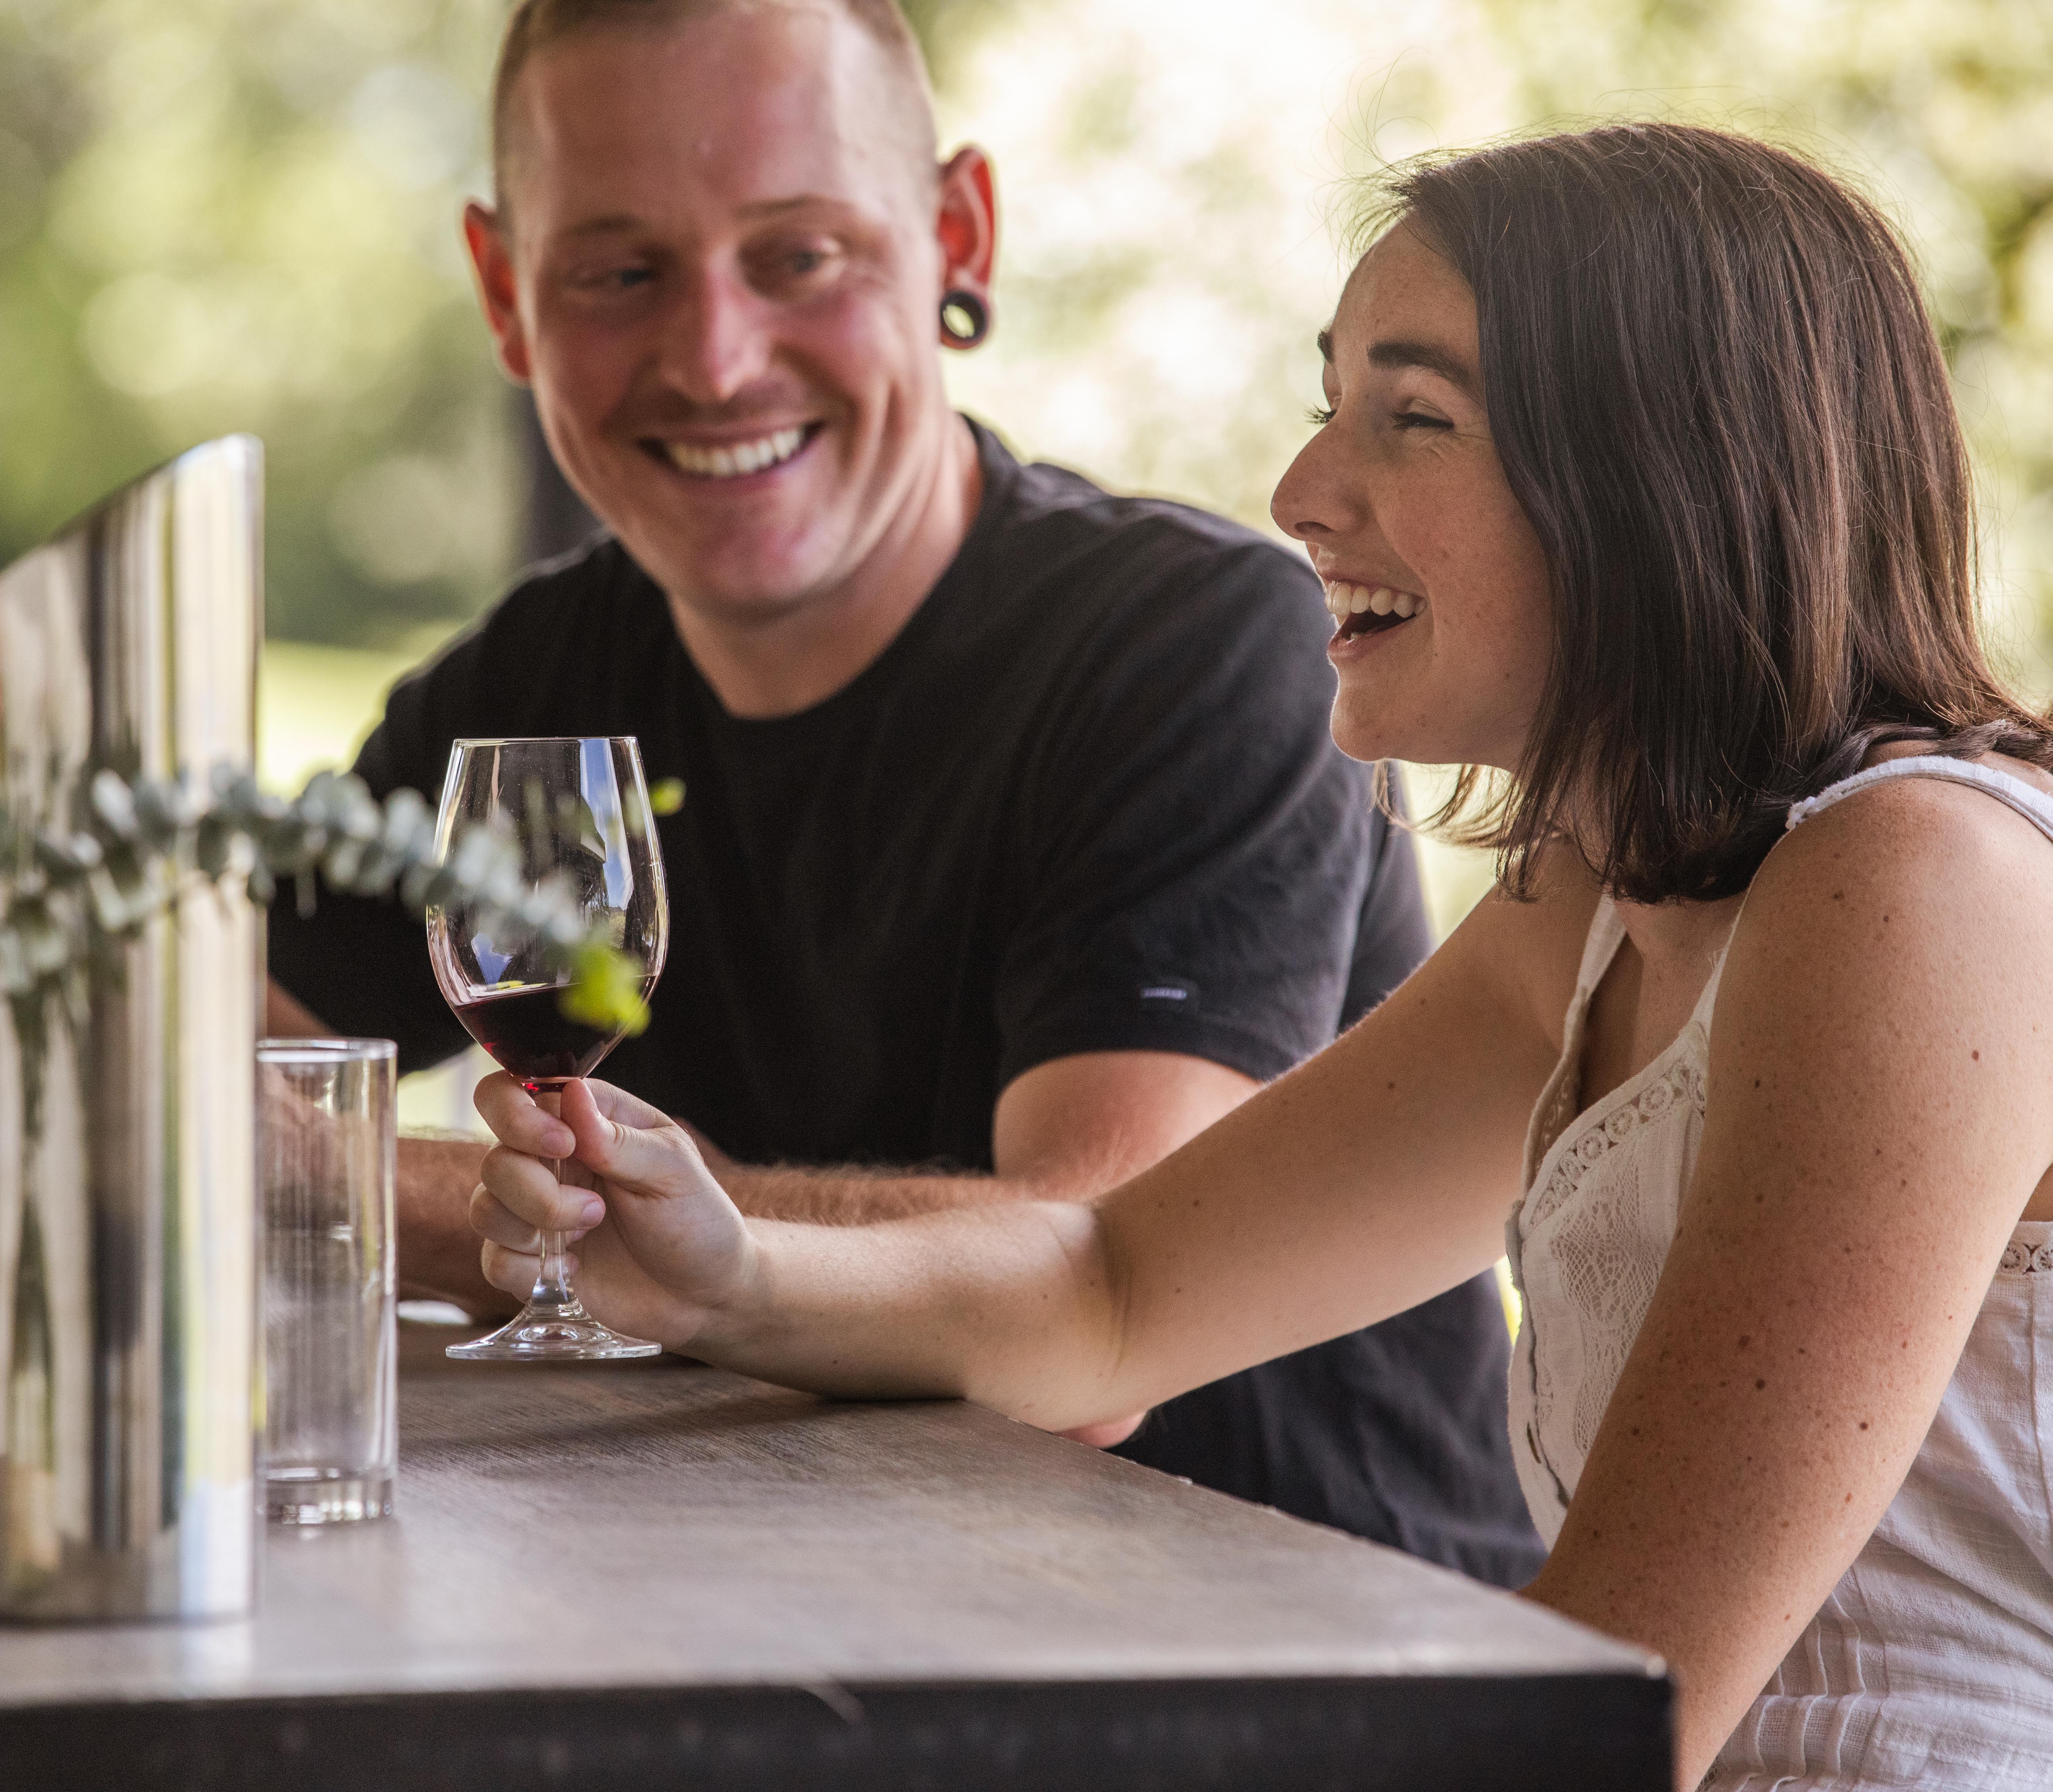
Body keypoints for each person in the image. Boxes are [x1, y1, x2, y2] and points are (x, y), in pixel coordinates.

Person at [464, 121, 2053, 1790]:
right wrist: (731, 1273)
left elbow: (1612, 1715)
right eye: (1329, 402)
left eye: (1412, 419)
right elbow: (1113, 1290)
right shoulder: (1600, 902)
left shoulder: (1918, 883)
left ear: (1666, 476)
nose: (1301, 493)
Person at [266, 0, 1544, 1586]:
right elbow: (170, 1057)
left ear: (957, 238)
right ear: (504, 294)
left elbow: (1089, 1311)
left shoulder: (1195, 648)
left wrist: (390, 1189)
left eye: (798, 256)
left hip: (1282, 1638)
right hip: (785, 1610)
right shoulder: (537, 686)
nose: (714, 358)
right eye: (619, 273)